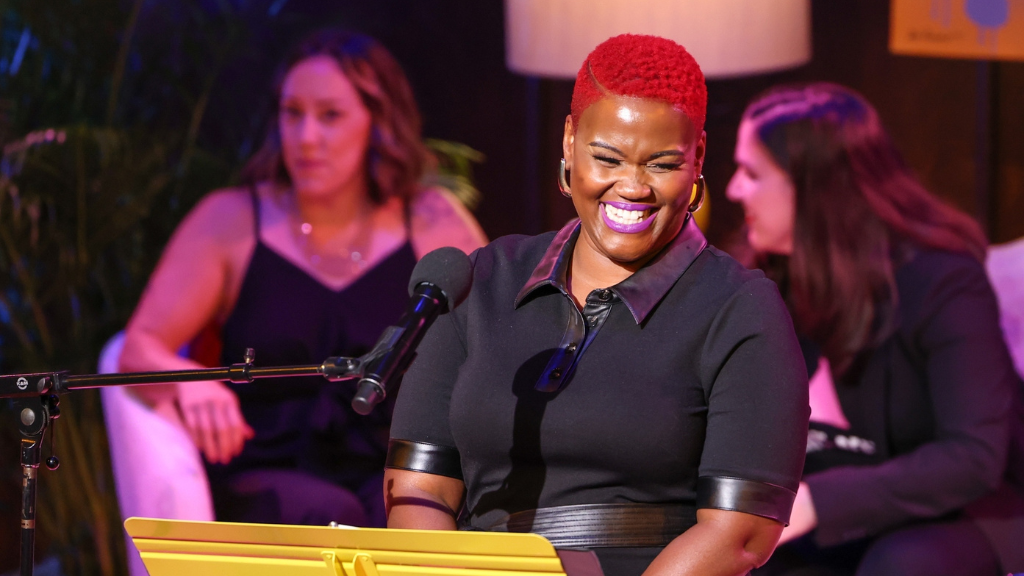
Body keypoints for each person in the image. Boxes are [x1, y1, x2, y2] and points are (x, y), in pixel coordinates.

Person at [384, 34, 810, 576]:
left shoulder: (740, 309)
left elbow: (739, 535)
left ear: (698, 156)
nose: (632, 187)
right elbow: (418, 492)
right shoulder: (482, 281)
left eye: (661, 164)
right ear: (569, 140)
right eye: (606, 158)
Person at [119, 29, 487, 528]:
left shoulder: (429, 220)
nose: (306, 137)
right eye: (292, 114)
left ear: (377, 123)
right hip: (264, 469)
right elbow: (138, 347)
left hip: (392, 466)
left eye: (330, 116)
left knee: (406, 513)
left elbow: (493, 337)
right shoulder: (230, 220)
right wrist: (189, 386)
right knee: (324, 512)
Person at [726, 82, 1024, 576]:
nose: (734, 188)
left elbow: (973, 457)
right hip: (832, 509)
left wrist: (819, 501)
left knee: (903, 566)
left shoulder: (940, 281)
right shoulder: (760, 276)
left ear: (814, 188)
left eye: (753, 173)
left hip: (969, 508)